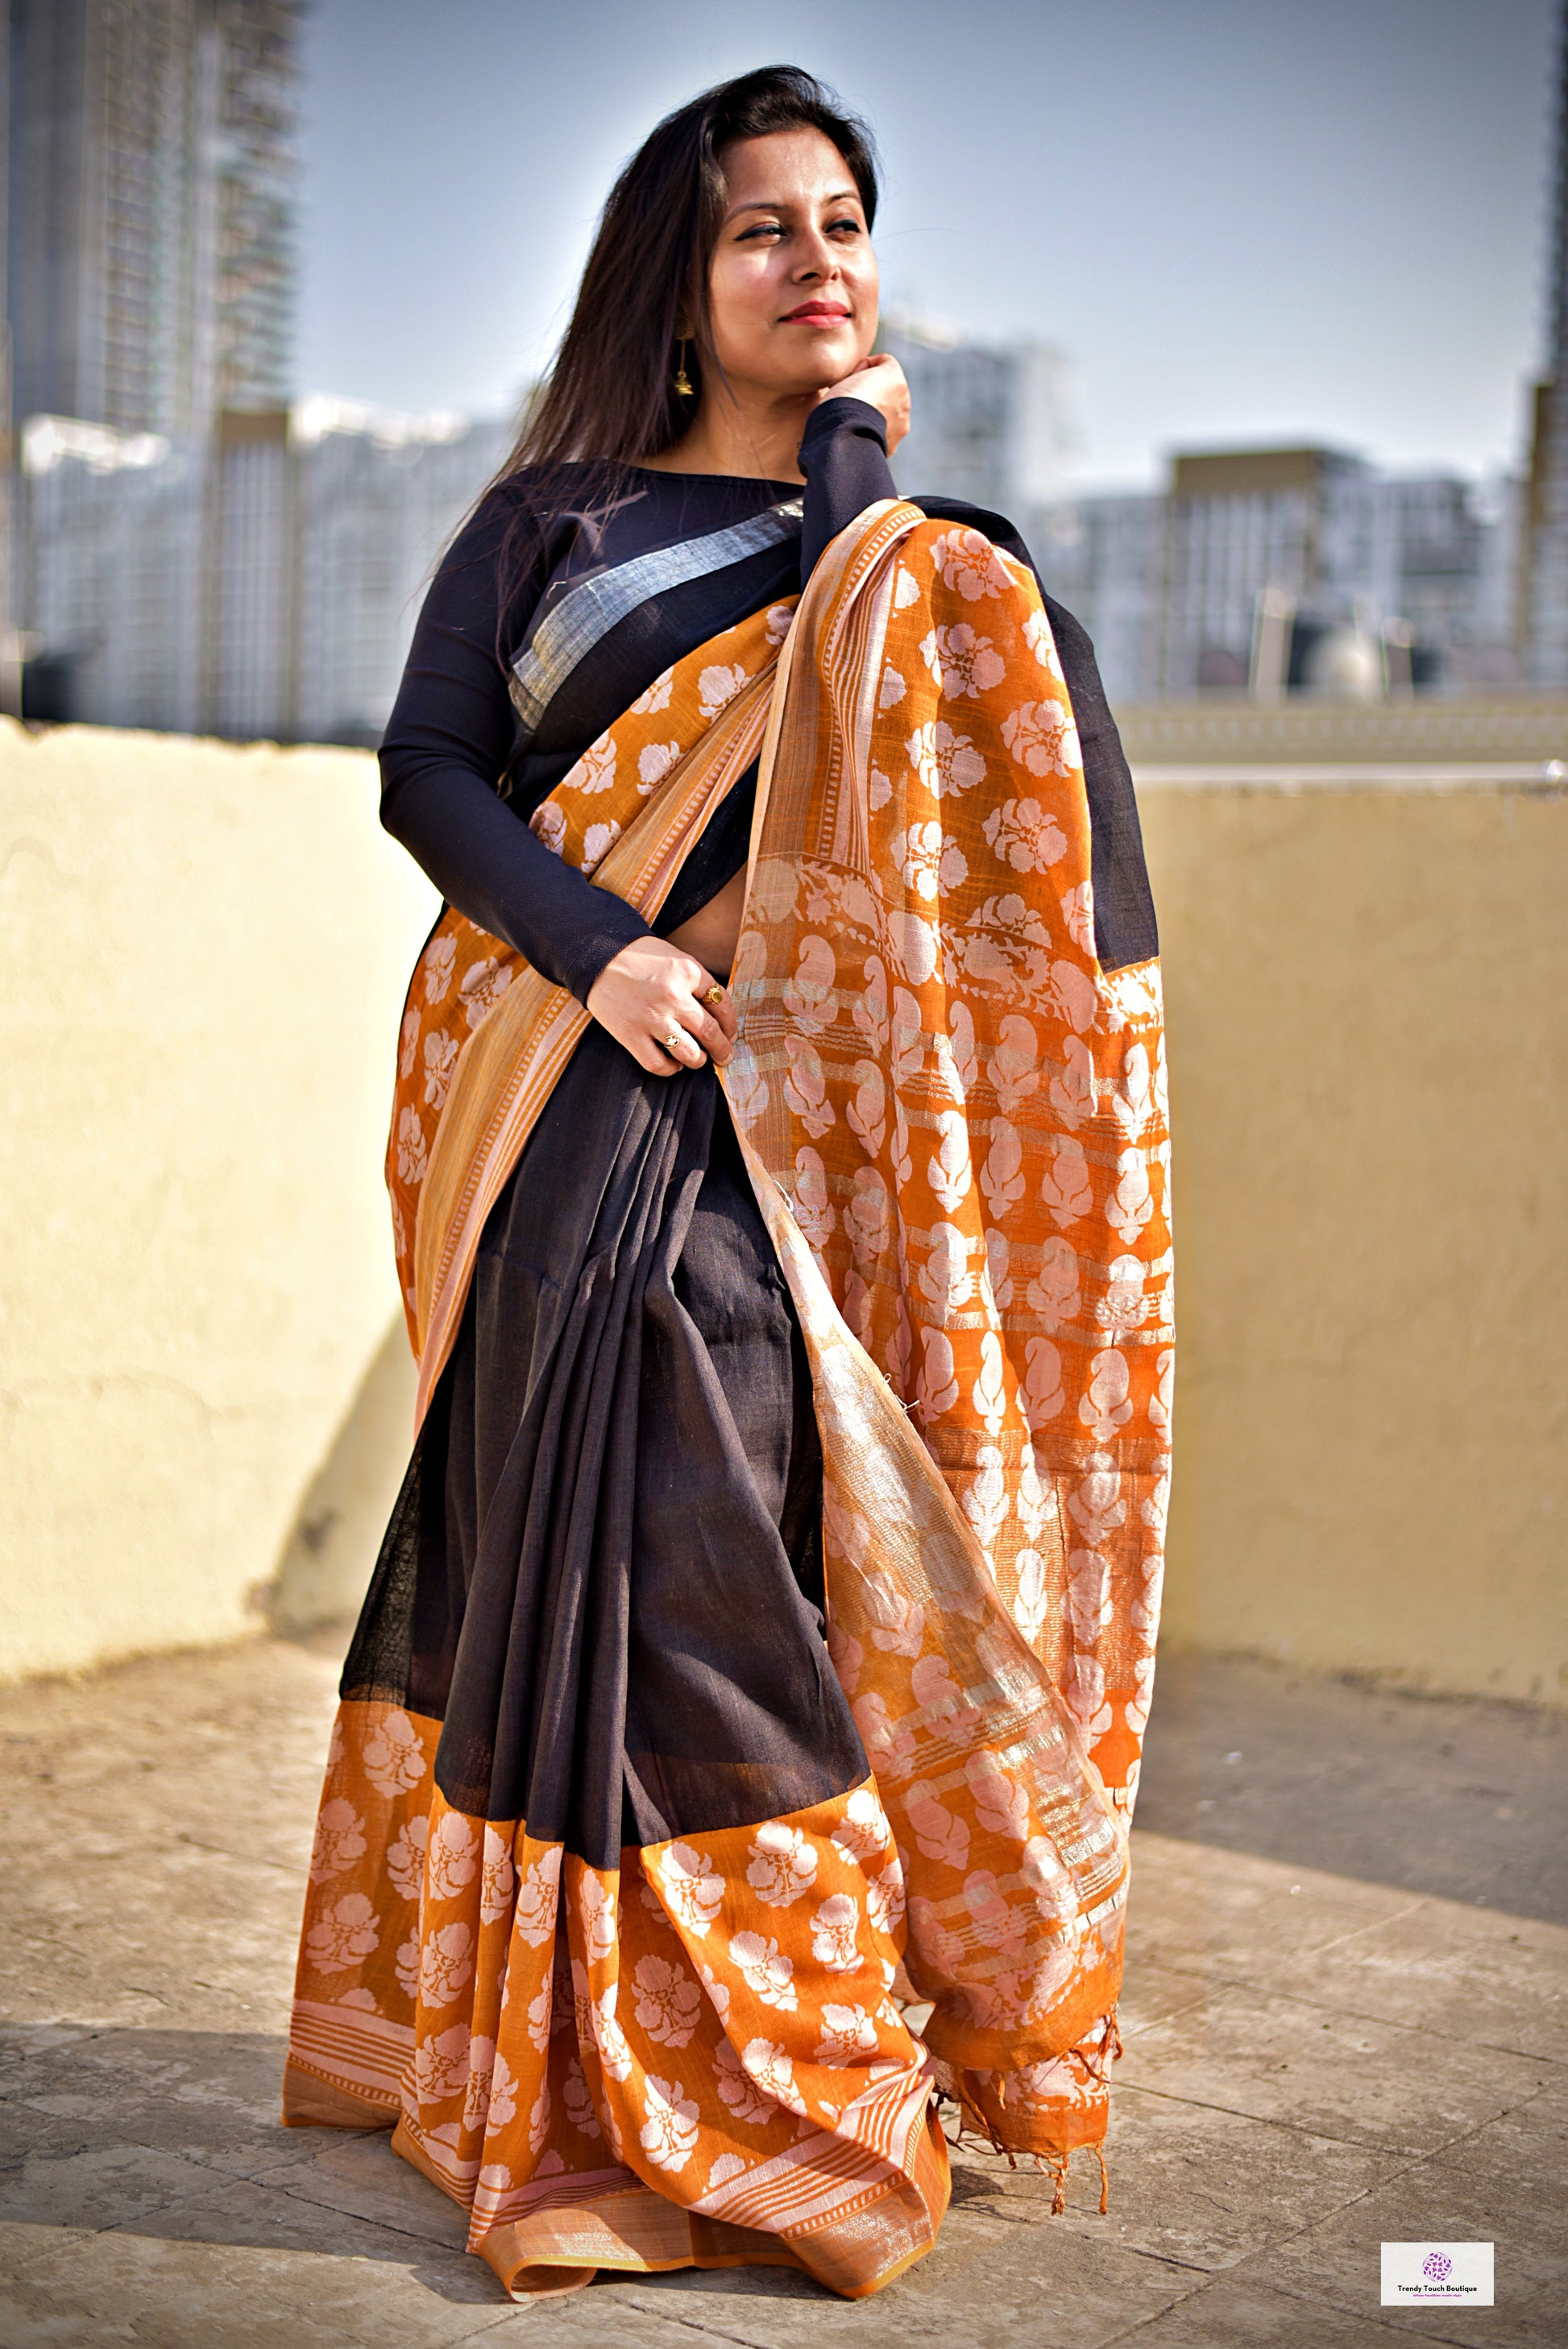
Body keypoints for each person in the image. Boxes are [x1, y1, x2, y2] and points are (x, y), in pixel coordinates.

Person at [284, 64, 1172, 2304]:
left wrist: (858, 462)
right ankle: (576, 2073)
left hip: (836, 1134)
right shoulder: (555, 522)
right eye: (762, 226)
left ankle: (766, 2061)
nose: (816, 259)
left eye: (845, 218)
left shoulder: (921, 557)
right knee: (604, 1493)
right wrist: (599, 957)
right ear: (672, 287)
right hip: (580, 1075)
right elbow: (431, 767)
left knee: (739, 1536)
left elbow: (1008, 833)